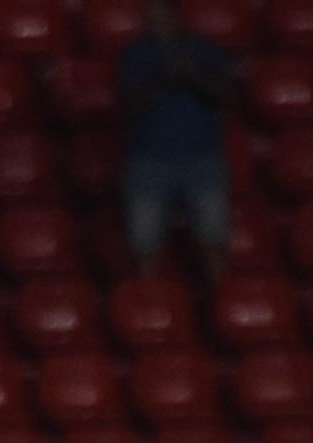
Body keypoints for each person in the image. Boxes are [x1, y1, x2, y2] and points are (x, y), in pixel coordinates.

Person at [120, 0, 229, 279]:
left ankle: (220, 313)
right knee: (145, 247)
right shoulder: (135, 54)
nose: (156, 21)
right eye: (150, 16)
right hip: (149, 161)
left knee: (213, 242)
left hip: (202, 158)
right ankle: (150, 313)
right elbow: (128, 106)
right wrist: (163, 78)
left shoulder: (202, 49)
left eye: (161, 15)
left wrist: (190, 75)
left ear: (175, 15)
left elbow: (225, 95)